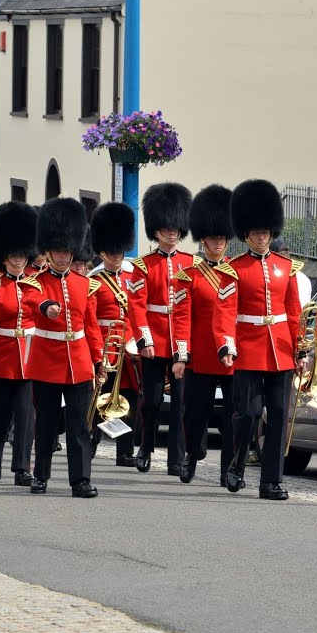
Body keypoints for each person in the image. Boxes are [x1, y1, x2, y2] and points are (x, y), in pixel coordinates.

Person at [223, 179, 306, 500]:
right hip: (248, 350)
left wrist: (301, 351)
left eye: (265, 233)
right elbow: (226, 312)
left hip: (282, 351)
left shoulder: (286, 268)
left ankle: (271, 481)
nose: (261, 238)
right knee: (248, 414)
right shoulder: (234, 269)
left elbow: (294, 313)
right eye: (255, 233)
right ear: (246, 235)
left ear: (272, 232)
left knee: (279, 417)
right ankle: (237, 465)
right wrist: (227, 344)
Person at [26, 198, 105, 498]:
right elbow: (33, 301)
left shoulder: (85, 284)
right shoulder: (36, 282)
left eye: (66, 251)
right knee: (45, 424)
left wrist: (100, 361)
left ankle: (80, 479)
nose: (62, 257)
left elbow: (92, 326)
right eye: (58, 251)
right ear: (48, 251)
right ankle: (41, 476)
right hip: (47, 361)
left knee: (79, 426)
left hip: (80, 361)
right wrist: (46, 306)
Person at [171, 185, 240, 485]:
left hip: (230, 356)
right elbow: (182, 317)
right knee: (195, 413)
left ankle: (228, 469)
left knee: (233, 416)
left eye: (222, 238)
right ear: (203, 239)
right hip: (199, 356)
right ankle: (190, 456)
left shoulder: (235, 273)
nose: (218, 243)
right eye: (213, 238)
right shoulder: (191, 275)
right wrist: (181, 355)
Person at [131, 183, 195, 476]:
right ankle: (145, 446)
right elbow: (137, 306)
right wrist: (144, 339)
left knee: (181, 403)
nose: (171, 232)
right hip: (154, 339)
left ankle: (176, 459)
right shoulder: (143, 266)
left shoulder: (191, 264)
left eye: (175, 227)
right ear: (155, 229)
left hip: (181, 340)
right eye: (165, 227)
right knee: (152, 402)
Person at [87, 202, 150, 468]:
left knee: (129, 398)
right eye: (112, 252)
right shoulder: (94, 279)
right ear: (102, 253)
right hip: (107, 345)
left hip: (130, 345)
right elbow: (90, 318)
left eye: (120, 251)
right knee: (101, 395)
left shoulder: (133, 275)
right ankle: (91, 441)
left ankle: (124, 451)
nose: (117, 256)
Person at [0, 201, 40, 484]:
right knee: (0, 413)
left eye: (22, 256)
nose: (18, 261)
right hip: (1, 356)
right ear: (4, 257)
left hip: (29, 357)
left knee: (26, 415)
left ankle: (21, 467)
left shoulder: (35, 282)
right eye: (13, 256)